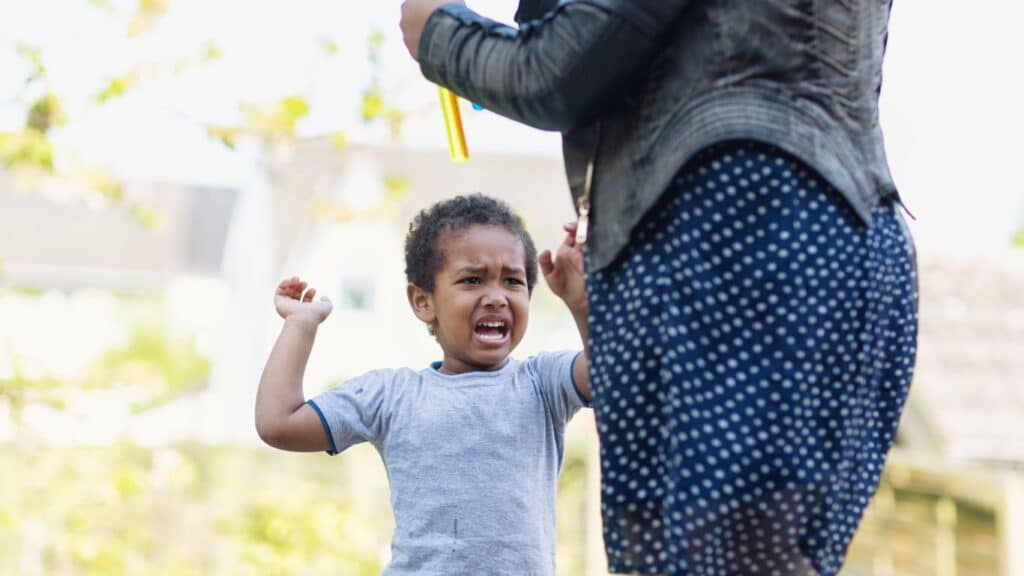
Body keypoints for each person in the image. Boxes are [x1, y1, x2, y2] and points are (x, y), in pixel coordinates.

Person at [399, 1, 918, 575]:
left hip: (736, 226)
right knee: (755, 553)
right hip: (839, 224)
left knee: (720, 552)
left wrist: (438, 34)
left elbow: (558, 71)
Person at [254, 194, 592, 575]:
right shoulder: (392, 396)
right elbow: (278, 423)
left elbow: (607, 377)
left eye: (512, 281)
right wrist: (300, 324)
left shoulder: (542, 383)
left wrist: (582, 303)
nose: (496, 297)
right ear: (422, 301)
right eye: (472, 280)